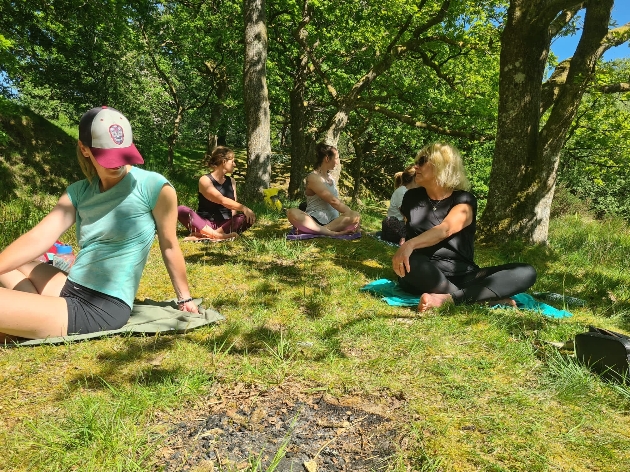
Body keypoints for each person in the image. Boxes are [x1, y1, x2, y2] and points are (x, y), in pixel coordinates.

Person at [0, 106, 198, 342]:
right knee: (13, 263)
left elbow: (169, 245)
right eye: (108, 157)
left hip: (101, 307)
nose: (117, 164)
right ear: (84, 149)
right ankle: (26, 322)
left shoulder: (154, 187)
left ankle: (25, 322)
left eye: (122, 154)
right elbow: (39, 238)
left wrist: (184, 298)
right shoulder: (79, 192)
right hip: (70, 287)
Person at [392, 142, 537, 312]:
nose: (416, 166)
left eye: (422, 161)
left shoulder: (465, 200)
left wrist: (410, 244)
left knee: (526, 272)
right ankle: (479, 300)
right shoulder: (411, 197)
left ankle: (452, 298)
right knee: (413, 262)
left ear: (441, 165)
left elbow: (445, 229)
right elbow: (408, 229)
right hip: (423, 272)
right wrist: (405, 244)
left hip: (463, 274)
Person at [177, 146, 255, 240]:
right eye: (232, 161)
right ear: (224, 162)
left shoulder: (232, 181)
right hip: (205, 223)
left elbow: (233, 210)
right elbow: (222, 200)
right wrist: (244, 208)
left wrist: (234, 222)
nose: (234, 164)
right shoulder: (205, 180)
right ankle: (218, 236)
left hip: (224, 224)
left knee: (247, 217)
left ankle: (205, 235)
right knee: (180, 209)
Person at [287, 143, 360, 236]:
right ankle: (329, 232)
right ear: (327, 158)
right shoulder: (313, 177)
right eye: (336, 158)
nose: (337, 162)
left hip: (334, 222)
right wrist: (349, 212)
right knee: (292, 212)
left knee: (355, 215)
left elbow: (337, 202)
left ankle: (321, 231)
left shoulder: (331, 178)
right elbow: (333, 201)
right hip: (315, 221)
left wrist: (353, 216)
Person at [381, 165, 417, 244]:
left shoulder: (412, 193)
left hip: (404, 226)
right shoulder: (402, 191)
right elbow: (406, 214)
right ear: (415, 178)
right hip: (396, 224)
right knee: (390, 220)